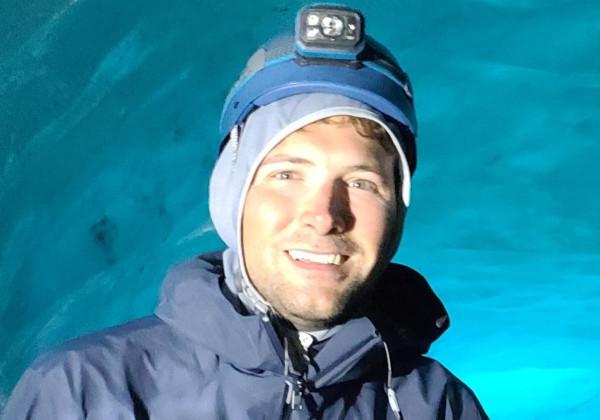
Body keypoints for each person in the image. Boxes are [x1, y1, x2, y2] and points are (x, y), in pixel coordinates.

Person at [1, 4, 488, 419]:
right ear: (233, 192)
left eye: (362, 183)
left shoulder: (441, 405)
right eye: (287, 174)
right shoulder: (82, 394)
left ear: (397, 211)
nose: (324, 216)